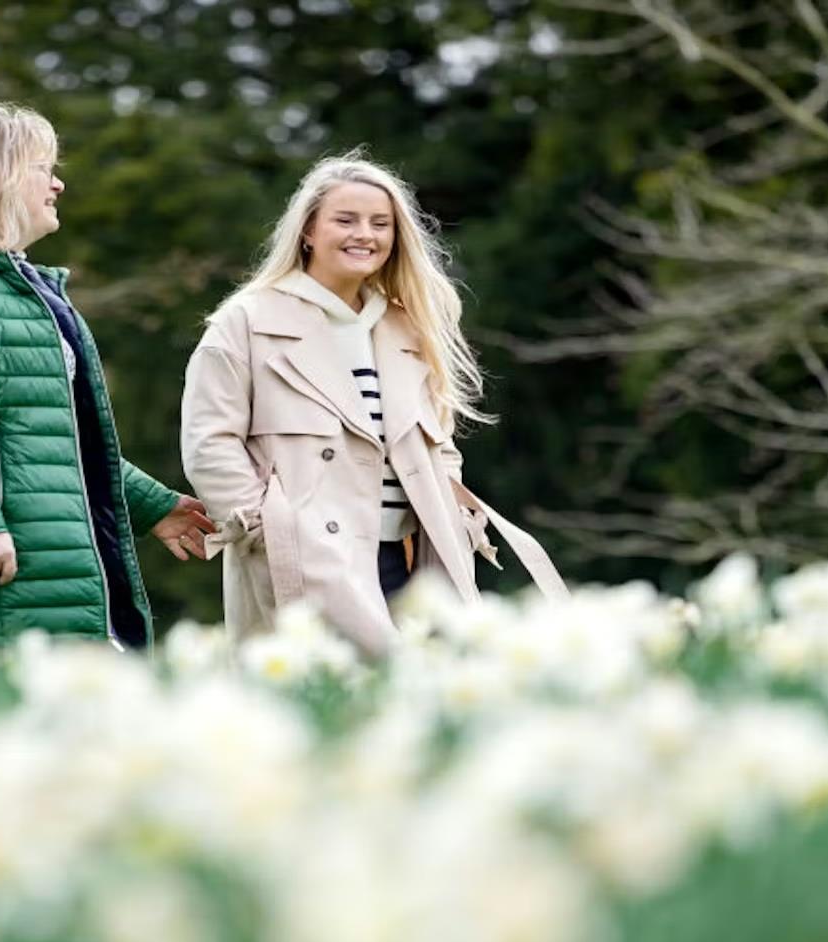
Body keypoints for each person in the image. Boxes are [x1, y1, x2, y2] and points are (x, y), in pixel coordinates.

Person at [180, 152, 567, 655]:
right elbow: (210, 443)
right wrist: (266, 532)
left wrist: (457, 514)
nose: (365, 234)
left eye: (380, 224)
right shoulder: (246, 321)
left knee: (417, 708)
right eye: (345, 220)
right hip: (307, 558)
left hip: (410, 559)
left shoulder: (409, 324)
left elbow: (439, 440)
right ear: (308, 232)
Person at [0, 103, 213, 649]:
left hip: (32, 547)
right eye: (42, 168)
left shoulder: (15, 285)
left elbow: (47, 433)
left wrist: (150, 504)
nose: (59, 184)